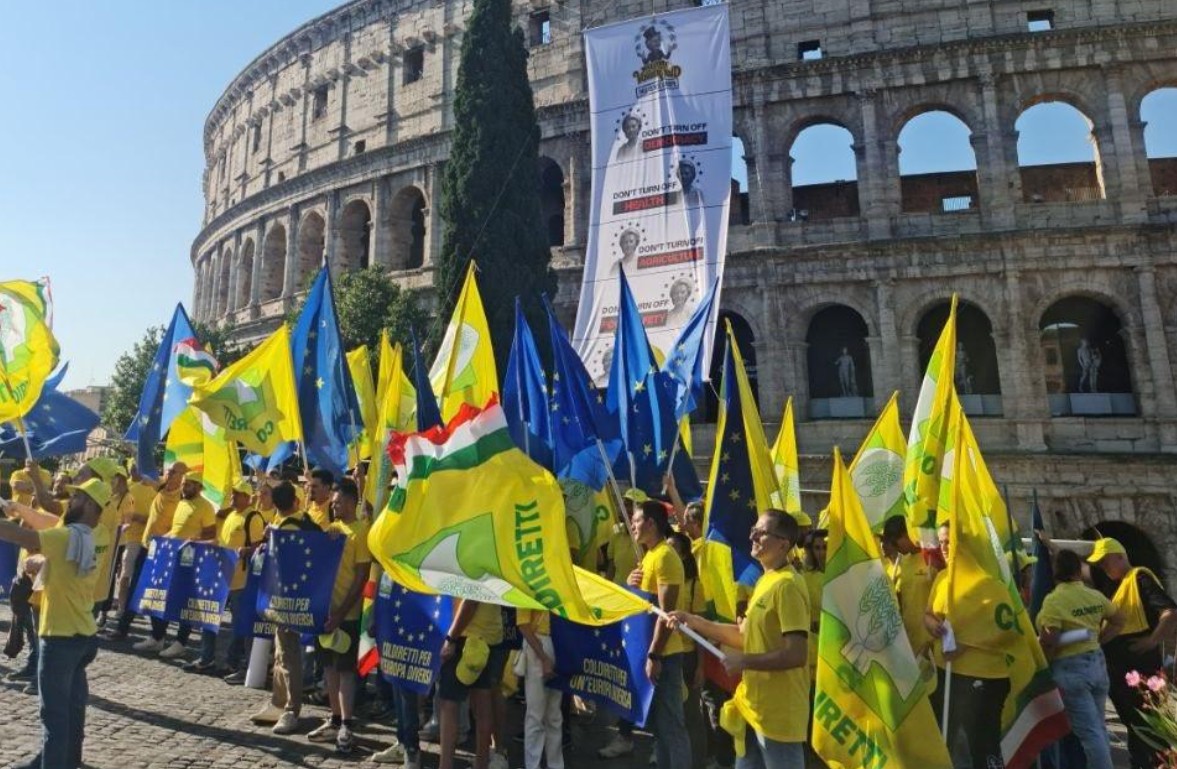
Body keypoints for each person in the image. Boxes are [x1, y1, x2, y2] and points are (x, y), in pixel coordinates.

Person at [670, 511, 810, 769]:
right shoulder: (766, 580)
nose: (752, 535)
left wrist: (744, 661)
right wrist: (694, 621)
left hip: (779, 714)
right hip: (753, 707)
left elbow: (796, 654)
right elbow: (746, 636)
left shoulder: (788, 585)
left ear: (783, 544)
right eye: (753, 529)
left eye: (762, 531)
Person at [0, 477, 113, 769]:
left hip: (60, 637)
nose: (69, 502)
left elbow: (19, 536)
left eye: (76, 498)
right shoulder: (99, 533)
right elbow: (49, 521)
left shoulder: (66, 537)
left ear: (89, 504)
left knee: (54, 716)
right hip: (85, 635)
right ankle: (68, 762)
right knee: (74, 711)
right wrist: (22, 510)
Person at [925, 522, 1010, 769]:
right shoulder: (942, 578)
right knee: (944, 739)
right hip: (947, 673)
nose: (943, 547)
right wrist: (932, 626)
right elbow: (928, 614)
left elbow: (1006, 628)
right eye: (941, 542)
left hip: (985, 676)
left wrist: (966, 645)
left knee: (983, 743)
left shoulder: (990, 582)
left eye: (949, 542)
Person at [1088, 537, 1177, 769]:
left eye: (1105, 562)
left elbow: (1169, 611)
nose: (1102, 568)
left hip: (1139, 666)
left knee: (1146, 724)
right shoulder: (1116, 585)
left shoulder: (1139, 577)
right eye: (1099, 564)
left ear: (1120, 557)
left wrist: (1152, 640)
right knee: (1135, 724)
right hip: (1120, 667)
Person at [1036, 549, 1125, 769]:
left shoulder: (1054, 600)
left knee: (1090, 733)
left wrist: (1044, 661)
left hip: (1070, 669)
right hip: (1097, 663)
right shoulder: (1094, 595)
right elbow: (1119, 620)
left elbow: (1051, 639)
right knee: (1099, 727)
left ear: (1056, 573)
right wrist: (1099, 638)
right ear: (1078, 571)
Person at [249, 480, 324, 735]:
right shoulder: (298, 522)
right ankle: (279, 702)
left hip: (290, 599)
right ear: (295, 500)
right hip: (285, 598)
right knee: (281, 651)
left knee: (289, 653)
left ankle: (291, 708)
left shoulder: (288, 526)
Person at [307, 477, 370, 754]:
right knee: (329, 668)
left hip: (348, 615)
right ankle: (333, 718)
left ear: (350, 502)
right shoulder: (332, 529)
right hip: (326, 613)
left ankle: (347, 723)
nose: (334, 507)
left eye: (338, 503)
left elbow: (361, 578)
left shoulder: (361, 532)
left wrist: (342, 612)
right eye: (332, 503)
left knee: (345, 670)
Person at [627, 500, 693, 769]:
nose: (632, 525)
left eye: (637, 520)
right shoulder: (650, 556)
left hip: (664, 655)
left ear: (652, 523)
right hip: (649, 653)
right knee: (659, 728)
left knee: (672, 726)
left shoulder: (665, 556)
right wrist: (630, 585)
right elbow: (644, 606)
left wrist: (655, 654)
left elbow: (667, 615)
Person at [186, 478, 266, 680]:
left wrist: (246, 550)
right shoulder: (231, 515)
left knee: (239, 624)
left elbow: (260, 547)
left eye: (237, 494)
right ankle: (206, 658)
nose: (233, 496)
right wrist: (200, 542)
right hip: (222, 576)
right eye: (233, 493)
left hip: (242, 579)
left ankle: (232, 662)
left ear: (247, 498)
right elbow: (221, 542)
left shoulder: (253, 517)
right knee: (210, 616)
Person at [151, 470, 216, 660]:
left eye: (188, 484)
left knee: (186, 601)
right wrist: (166, 537)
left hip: (191, 560)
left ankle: (181, 642)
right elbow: (176, 528)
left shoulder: (205, 507)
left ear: (197, 486)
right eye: (184, 483)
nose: (184, 487)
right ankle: (157, 636)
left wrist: (192, 539)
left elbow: (210, 533)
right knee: (164, 595)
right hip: (172, 556)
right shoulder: (181, 502)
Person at [438, 598, 507, 769]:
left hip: (465, 634)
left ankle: (445, 765)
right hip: (490, 634)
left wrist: (451, 638)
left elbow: (471, 600)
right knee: (483, 704)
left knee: (449, 704)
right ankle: (481, 764)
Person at [123, 462, 186, 645]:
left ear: (182, 477)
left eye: (173, 472)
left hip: (164, 550)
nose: (168, 473)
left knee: (156, 593)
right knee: (138, 587)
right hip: (146, 546)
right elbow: (143, 473)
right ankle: (131, 628)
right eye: (168, 470)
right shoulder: (160, 488)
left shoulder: (181, 499)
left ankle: (157, 635)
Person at [111, 465, 156, 637]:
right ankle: (123, 608)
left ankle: (136, 609)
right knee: (125, 575)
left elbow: (154, 518)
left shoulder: (155, 491)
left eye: (137, 468)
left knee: (141, 579)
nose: (134, 471)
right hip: (130, 539)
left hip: (146, 540)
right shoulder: (129, 490)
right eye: (132, 468)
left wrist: (139, 518)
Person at [881, 515, 935, 657]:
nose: (895, 547)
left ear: (906, 534)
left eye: (895, 542)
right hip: (910, 644)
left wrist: (934, 641)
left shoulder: (931, 559)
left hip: (931, 644)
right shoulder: (902, 563)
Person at [517, 604, 563, 769]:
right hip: (540, 643)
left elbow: (523, 623)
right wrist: (543, 658)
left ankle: (550, 764)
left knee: (550, 714)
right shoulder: (529, 581)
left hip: (555, 643)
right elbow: (523, 624)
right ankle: (536, 764)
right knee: (542, 714)